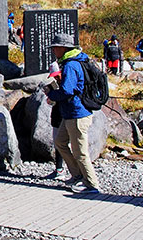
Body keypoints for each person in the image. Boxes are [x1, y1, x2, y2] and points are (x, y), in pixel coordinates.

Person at [44, 32, 102, 194]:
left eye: (55, 47)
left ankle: (91, 184)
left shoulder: (71, 65)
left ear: (63, 48)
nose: (54, 50)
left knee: (80, 151)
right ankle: (77, 175)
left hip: (77, 113)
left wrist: (51, 94)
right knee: (60, 142)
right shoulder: (74, 61)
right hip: (71, 113)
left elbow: (67, 90)